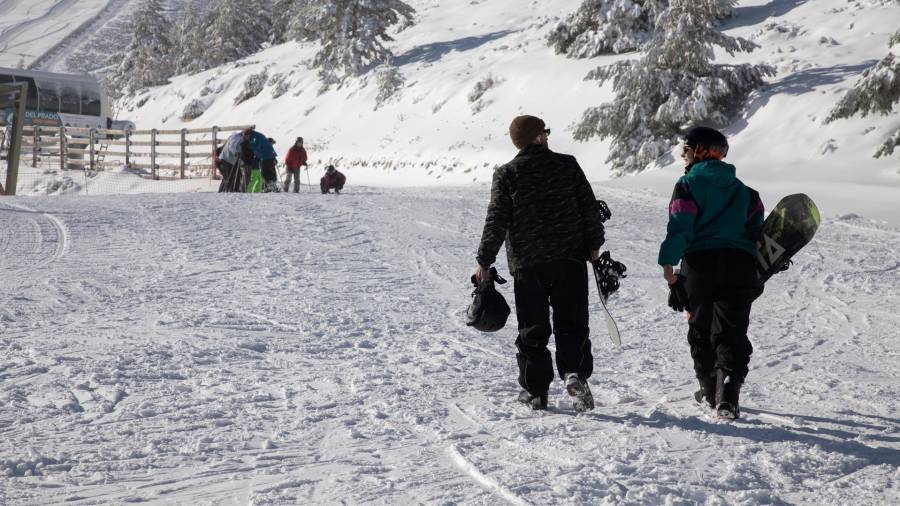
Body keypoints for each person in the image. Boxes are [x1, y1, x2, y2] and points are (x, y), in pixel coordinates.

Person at [475, 115, 605, 412]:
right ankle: (574, 374)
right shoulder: (567, 164)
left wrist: (484, 260)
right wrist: (594, 245)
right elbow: (588, 207)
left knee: (532, 327)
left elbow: (497, 219)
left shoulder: (507, 174)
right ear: (537, 137)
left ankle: (536, 391)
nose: (547, 135)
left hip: (527, 262)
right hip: (569, 257)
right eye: (544, 131)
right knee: (571, 322)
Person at [658, 126, 765, 420]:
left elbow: (681, 226)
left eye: (687, 150)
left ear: (701, 151)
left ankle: (708, 389)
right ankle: (728, 391)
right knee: (731, 331)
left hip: (700, 265)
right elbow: (759, 234)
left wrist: (669, 269)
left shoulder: (688, 185)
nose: (683, 156)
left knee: (701, 329)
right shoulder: (748, 193)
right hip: (740, 266)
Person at [240, 128, 279, 193]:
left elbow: (256, 146)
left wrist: (248, 145)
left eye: (245, 136)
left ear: (248, 134)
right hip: (266, 155)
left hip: (266, 155)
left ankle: (271, 186)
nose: (245, 138)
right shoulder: (255, 136)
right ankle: (270, 186)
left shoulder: (255, 137)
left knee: (264, 172)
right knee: (266, 171)